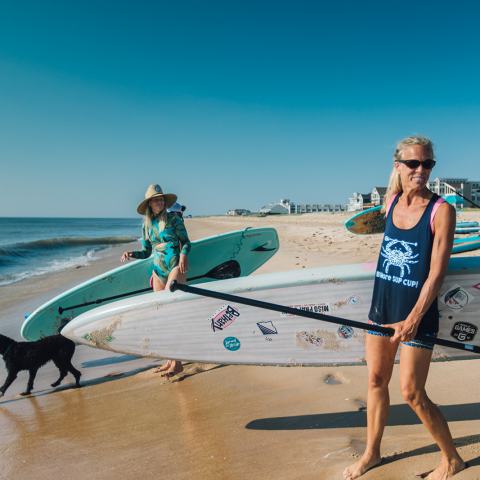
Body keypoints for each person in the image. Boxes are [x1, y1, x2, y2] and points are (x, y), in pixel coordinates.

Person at [343, 136, 466, 480]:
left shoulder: (442, 211)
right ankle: (372, 453)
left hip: (417, 314)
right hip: (381, 308)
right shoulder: (392, 200)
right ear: (398, 166)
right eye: (413, 163)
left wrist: (412, 319)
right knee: (376, 380)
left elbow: (436, 274)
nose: (421, 170)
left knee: (412, 392)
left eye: (428, 164)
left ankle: (452, 459)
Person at [121, 184, 191, 377]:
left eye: (161, 199)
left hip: (175, 267)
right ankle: (170, 360)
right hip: (158, 270)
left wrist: (184, 256)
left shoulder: (174, 219)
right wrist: (131, 253)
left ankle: (177, 363)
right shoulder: (145, 226)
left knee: (171, 312)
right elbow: (146, 252)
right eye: (155, 199)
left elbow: (186, 242)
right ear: (149, 204)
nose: (159, 202)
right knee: (163, 317)